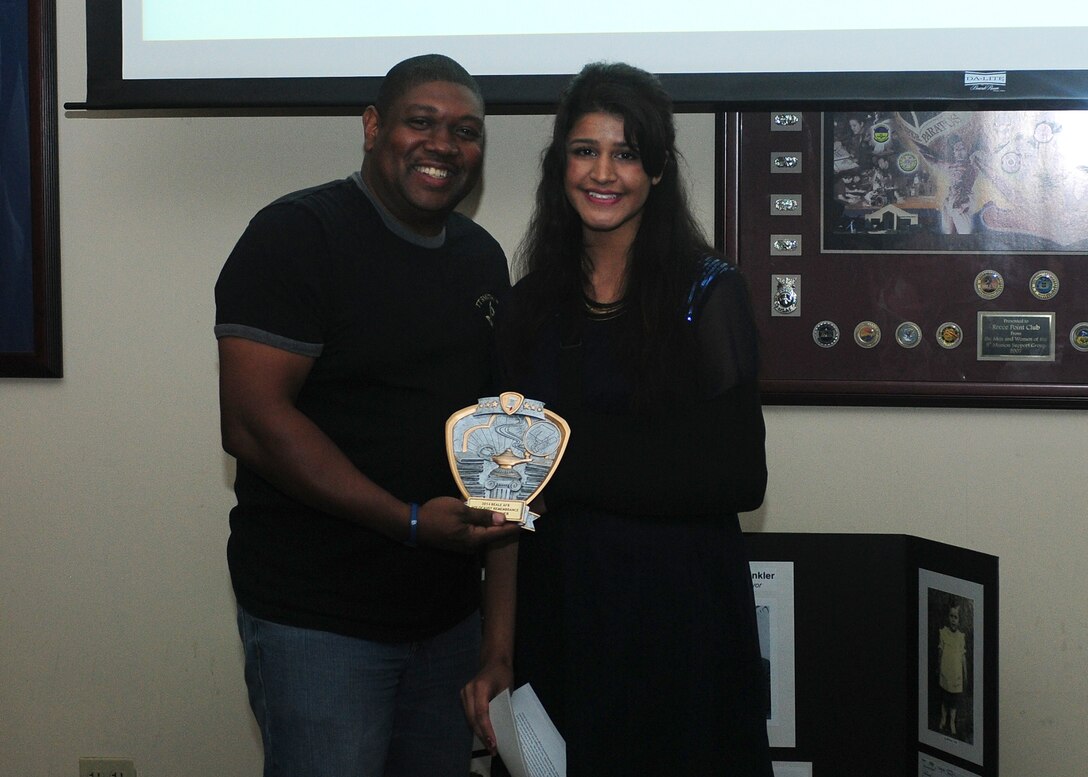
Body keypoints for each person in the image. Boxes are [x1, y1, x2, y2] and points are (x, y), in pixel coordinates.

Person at [462, 62, 773, 775]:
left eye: (626, 153)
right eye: (584, 150)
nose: (603, 172)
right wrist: (498, 650)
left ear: (658, 170)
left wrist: (561, 462)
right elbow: (507, 502)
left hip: (681, 620)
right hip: (561, 618)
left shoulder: (709, 293)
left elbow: (738, 473)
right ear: (559, 165)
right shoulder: (525, 308)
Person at [214, 54, 519, 777]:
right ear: (373, 126)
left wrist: (497, 641)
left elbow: (499, 445)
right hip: (319, 625)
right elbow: (254, 423)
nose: (444, 144)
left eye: (466, 131)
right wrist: (408, 519)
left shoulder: (481, 259)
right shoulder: (297, 235)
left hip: (447, 623)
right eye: (421, 121)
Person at [938, 602, 968, 738]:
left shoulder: (961, 637)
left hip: (956, 675)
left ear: (959, 620)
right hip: (945, 672)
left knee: (954, 701)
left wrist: (965, 673)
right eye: (951, 616)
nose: (953, 619)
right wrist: (938, 668)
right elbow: (940, 652)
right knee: (945, 699)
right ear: (948, 617)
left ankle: (952, 723)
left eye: (956, 617)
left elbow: (963, 657)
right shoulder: (943, 633)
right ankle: (943, 719)